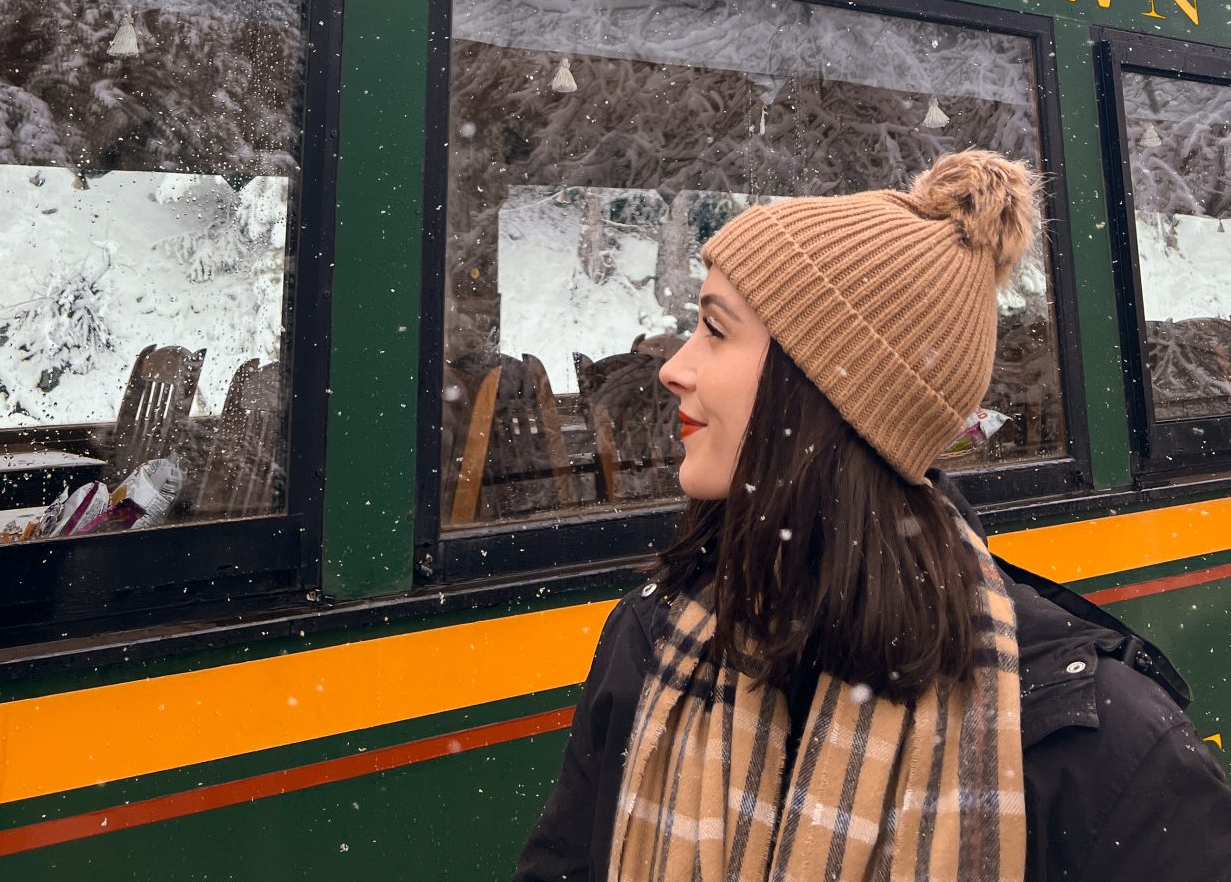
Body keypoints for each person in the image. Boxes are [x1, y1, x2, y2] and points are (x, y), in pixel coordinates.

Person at [513, 150, 1231, 882]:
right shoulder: (651, 639)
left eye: (716, 330)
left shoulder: (1095, 742)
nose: (672, 366)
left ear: (828, 394)